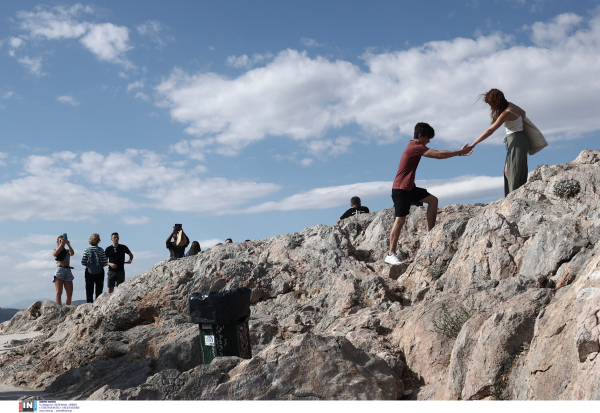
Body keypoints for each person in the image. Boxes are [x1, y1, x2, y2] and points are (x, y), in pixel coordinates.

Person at [385, 122, 472, 265]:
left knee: (433, 200)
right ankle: (390, 254)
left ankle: (430, 233)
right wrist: (459, 152)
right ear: (420, 136)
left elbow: (438, 153)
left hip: (409, 188)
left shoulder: (416, 146)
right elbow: (438, 155)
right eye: (427, 138)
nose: (429, 141)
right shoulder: (415, 147)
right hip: (400, 190)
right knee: (400, 220)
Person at [469, 89, 529, 196]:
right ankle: (512, 198)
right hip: (516, 140)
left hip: (516, 141)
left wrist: (474, 143)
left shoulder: (506, 113)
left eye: (491, 103)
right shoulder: (511, 105)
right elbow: (523, 113)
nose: (491, 106)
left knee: (513, 173)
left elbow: (490, 130)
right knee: (508, 171)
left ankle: (515, 199)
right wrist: (516, 124)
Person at [81, 233, 108, 303]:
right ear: (98, 241)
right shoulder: (101, 250)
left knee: (89, 290)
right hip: (99, 272)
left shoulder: (86, 250)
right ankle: (97, 305)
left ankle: (89, 305)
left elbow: (83, 262)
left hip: (89, 272)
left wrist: (89, 265)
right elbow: (105, 262)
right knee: (99, 291)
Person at [52, 235, 75, 306]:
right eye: (60, 240)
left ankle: (67, 308)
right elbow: (55, 254)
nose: (61, 241)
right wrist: (61, 245)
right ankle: (59, 308)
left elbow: (72, 253)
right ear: (57, 242)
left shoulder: (66, 251)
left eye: (63, 240)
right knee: (59, 292)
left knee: (69, 293)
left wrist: (68, 244)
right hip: (60, 270)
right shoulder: (55, 250)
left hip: (67, 270)